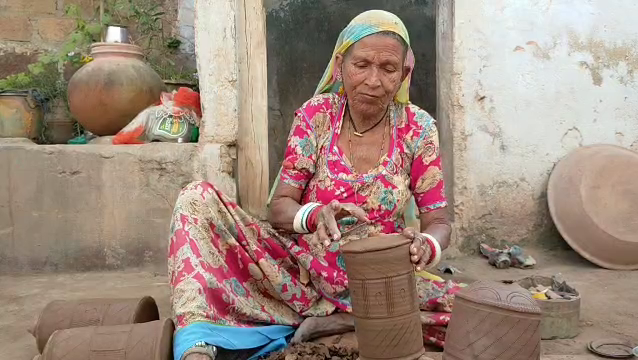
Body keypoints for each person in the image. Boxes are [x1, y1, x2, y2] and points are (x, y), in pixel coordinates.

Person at [169, 10, 462, 360]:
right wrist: (313, 215)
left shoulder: (418, 129)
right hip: (298, 270)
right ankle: (201, 339)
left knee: (470, 315)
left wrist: (426, 245)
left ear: (404, 74)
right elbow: (280, 207)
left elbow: (439, 221)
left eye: (387, 69)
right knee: (196, 198)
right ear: (340, 66)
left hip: (376, 280)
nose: (373, 80)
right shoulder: (317, 116)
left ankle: (339, 320)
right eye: (362, 65)